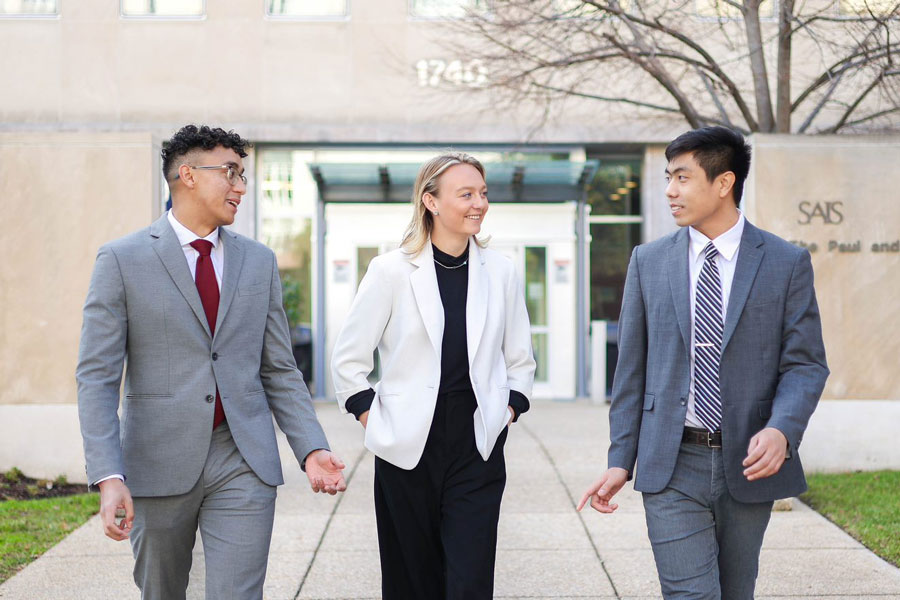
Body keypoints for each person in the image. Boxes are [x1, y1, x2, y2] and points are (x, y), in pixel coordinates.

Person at [76, 124, 347, 600]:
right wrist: (108, 475)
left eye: (242, 175)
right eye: (230, 173)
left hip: (242, 455)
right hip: (157, 461)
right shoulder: (121, 259)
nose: (240, 187)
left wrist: (310, 447)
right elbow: (97, 378)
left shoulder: (257, 261)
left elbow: (279, 367)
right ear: (188, 175)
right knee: (161, 591)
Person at [578, 126, 829, 599]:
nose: (670, 191)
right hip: (670, 462)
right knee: (691, 595)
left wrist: (782, 429)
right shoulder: (648, 261)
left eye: (681, 178)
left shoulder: (784, 262)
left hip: (748, 461)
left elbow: (806, 364)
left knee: (736, 592)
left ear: (723, 183)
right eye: (668, 178)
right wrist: (620, 459)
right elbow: (630, 371)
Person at [331, 152, 536, 599]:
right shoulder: (390, 271)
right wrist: (375, 421)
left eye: (483, 193)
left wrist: (508, 412)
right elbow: (349, 361)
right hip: (405, 447)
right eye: (465, 194)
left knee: (470, 579)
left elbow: (520, 359)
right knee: (412, 581)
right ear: (431, 201)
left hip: (477, 442)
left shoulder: (501, 271)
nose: (479, 203)